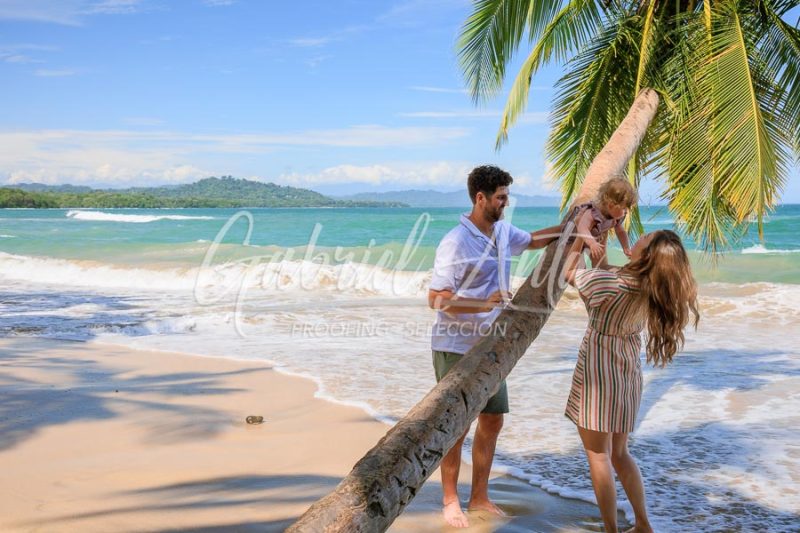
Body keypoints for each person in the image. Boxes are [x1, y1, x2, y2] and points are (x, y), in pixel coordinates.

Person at [428, 165, 560, 528]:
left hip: (493, 345)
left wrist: (570, 228)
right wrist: (482, 304)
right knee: (456, 425)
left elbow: (532, 240)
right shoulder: (455, 241)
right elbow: (436, 299)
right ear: (480, 198)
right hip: (456, 345)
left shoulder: (502, 231)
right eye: (500, 197)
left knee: (492, 419)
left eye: (507, 197)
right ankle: (450, 500)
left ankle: (480, 496)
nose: (505, 203)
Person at [562, 228, 700, 533]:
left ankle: (610, 529)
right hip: (626, 371)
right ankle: (642, 523)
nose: (637, 237)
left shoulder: (610, 282)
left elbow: (570, 271)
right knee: (620, 453)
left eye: (644, 238)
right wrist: (604, 255)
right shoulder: (649, 287)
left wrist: (581, 235)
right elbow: (603, 296)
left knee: (598, 455)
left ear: (646, 255)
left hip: (599, 368)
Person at [569, 177, 637, 262]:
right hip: (573, 238)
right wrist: (592, 243)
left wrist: (626, 247)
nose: (626, 212)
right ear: (611, 205)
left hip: (592, 239)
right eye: (624, 208)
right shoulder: (593, 212)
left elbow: (621, 232)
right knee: (576, 265)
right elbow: (582, 227)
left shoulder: (615, 217)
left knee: (599, 262)